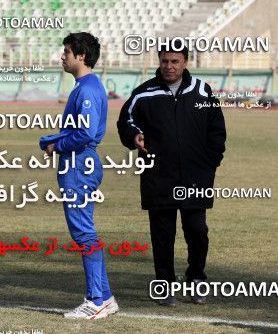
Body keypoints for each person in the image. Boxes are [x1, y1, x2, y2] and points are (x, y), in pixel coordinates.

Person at [117, 41, 226, 306]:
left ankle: (196, 280)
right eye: (165, 61)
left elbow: (217, 130)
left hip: (196, 178)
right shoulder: (144, 93)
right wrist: (135, 135)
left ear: (186, 62)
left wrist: (210, 164)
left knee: (197, 231)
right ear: (160, 61)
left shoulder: (202, 91)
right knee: (162, 235)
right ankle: (164, 286)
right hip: (158, 177)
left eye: (175, 61)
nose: (169, 66)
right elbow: (125, 121)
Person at [40, 32, 119, 319]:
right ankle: (106, 297)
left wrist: (57, 144)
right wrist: (54, 139)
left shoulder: (86, 89)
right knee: (85, 231)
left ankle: (95, 300)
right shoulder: (88, 86)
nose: (63, 56)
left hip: (78, 165)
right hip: (79, 163)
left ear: (81, 56)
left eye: (67, 52)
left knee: (84, 233)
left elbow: (84, 133)